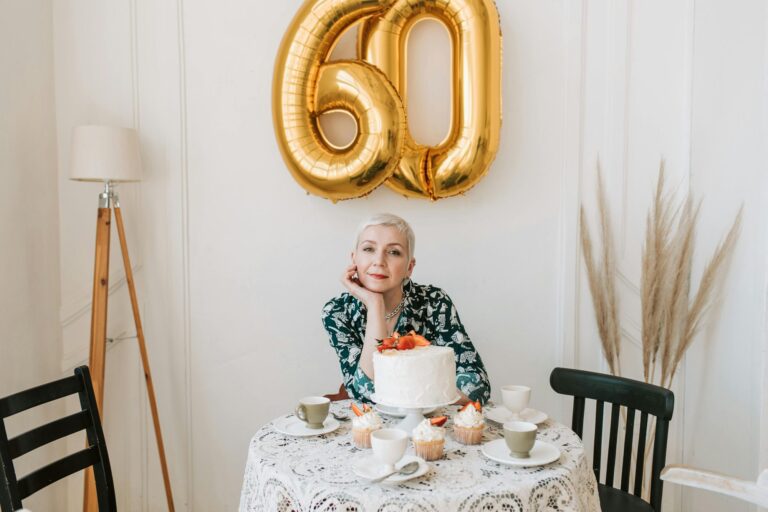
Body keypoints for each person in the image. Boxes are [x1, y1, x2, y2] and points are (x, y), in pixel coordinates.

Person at [322, 213, 491, 405]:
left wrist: (410, 399)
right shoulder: (337, 312)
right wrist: (375, 305)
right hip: (372, 421)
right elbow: (364, 391)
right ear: (354, 259)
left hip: (430, 420)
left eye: (394, 252)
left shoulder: (434, 302)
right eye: (369, 249)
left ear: (409, 267)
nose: (379, 261)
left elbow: (477, 385)